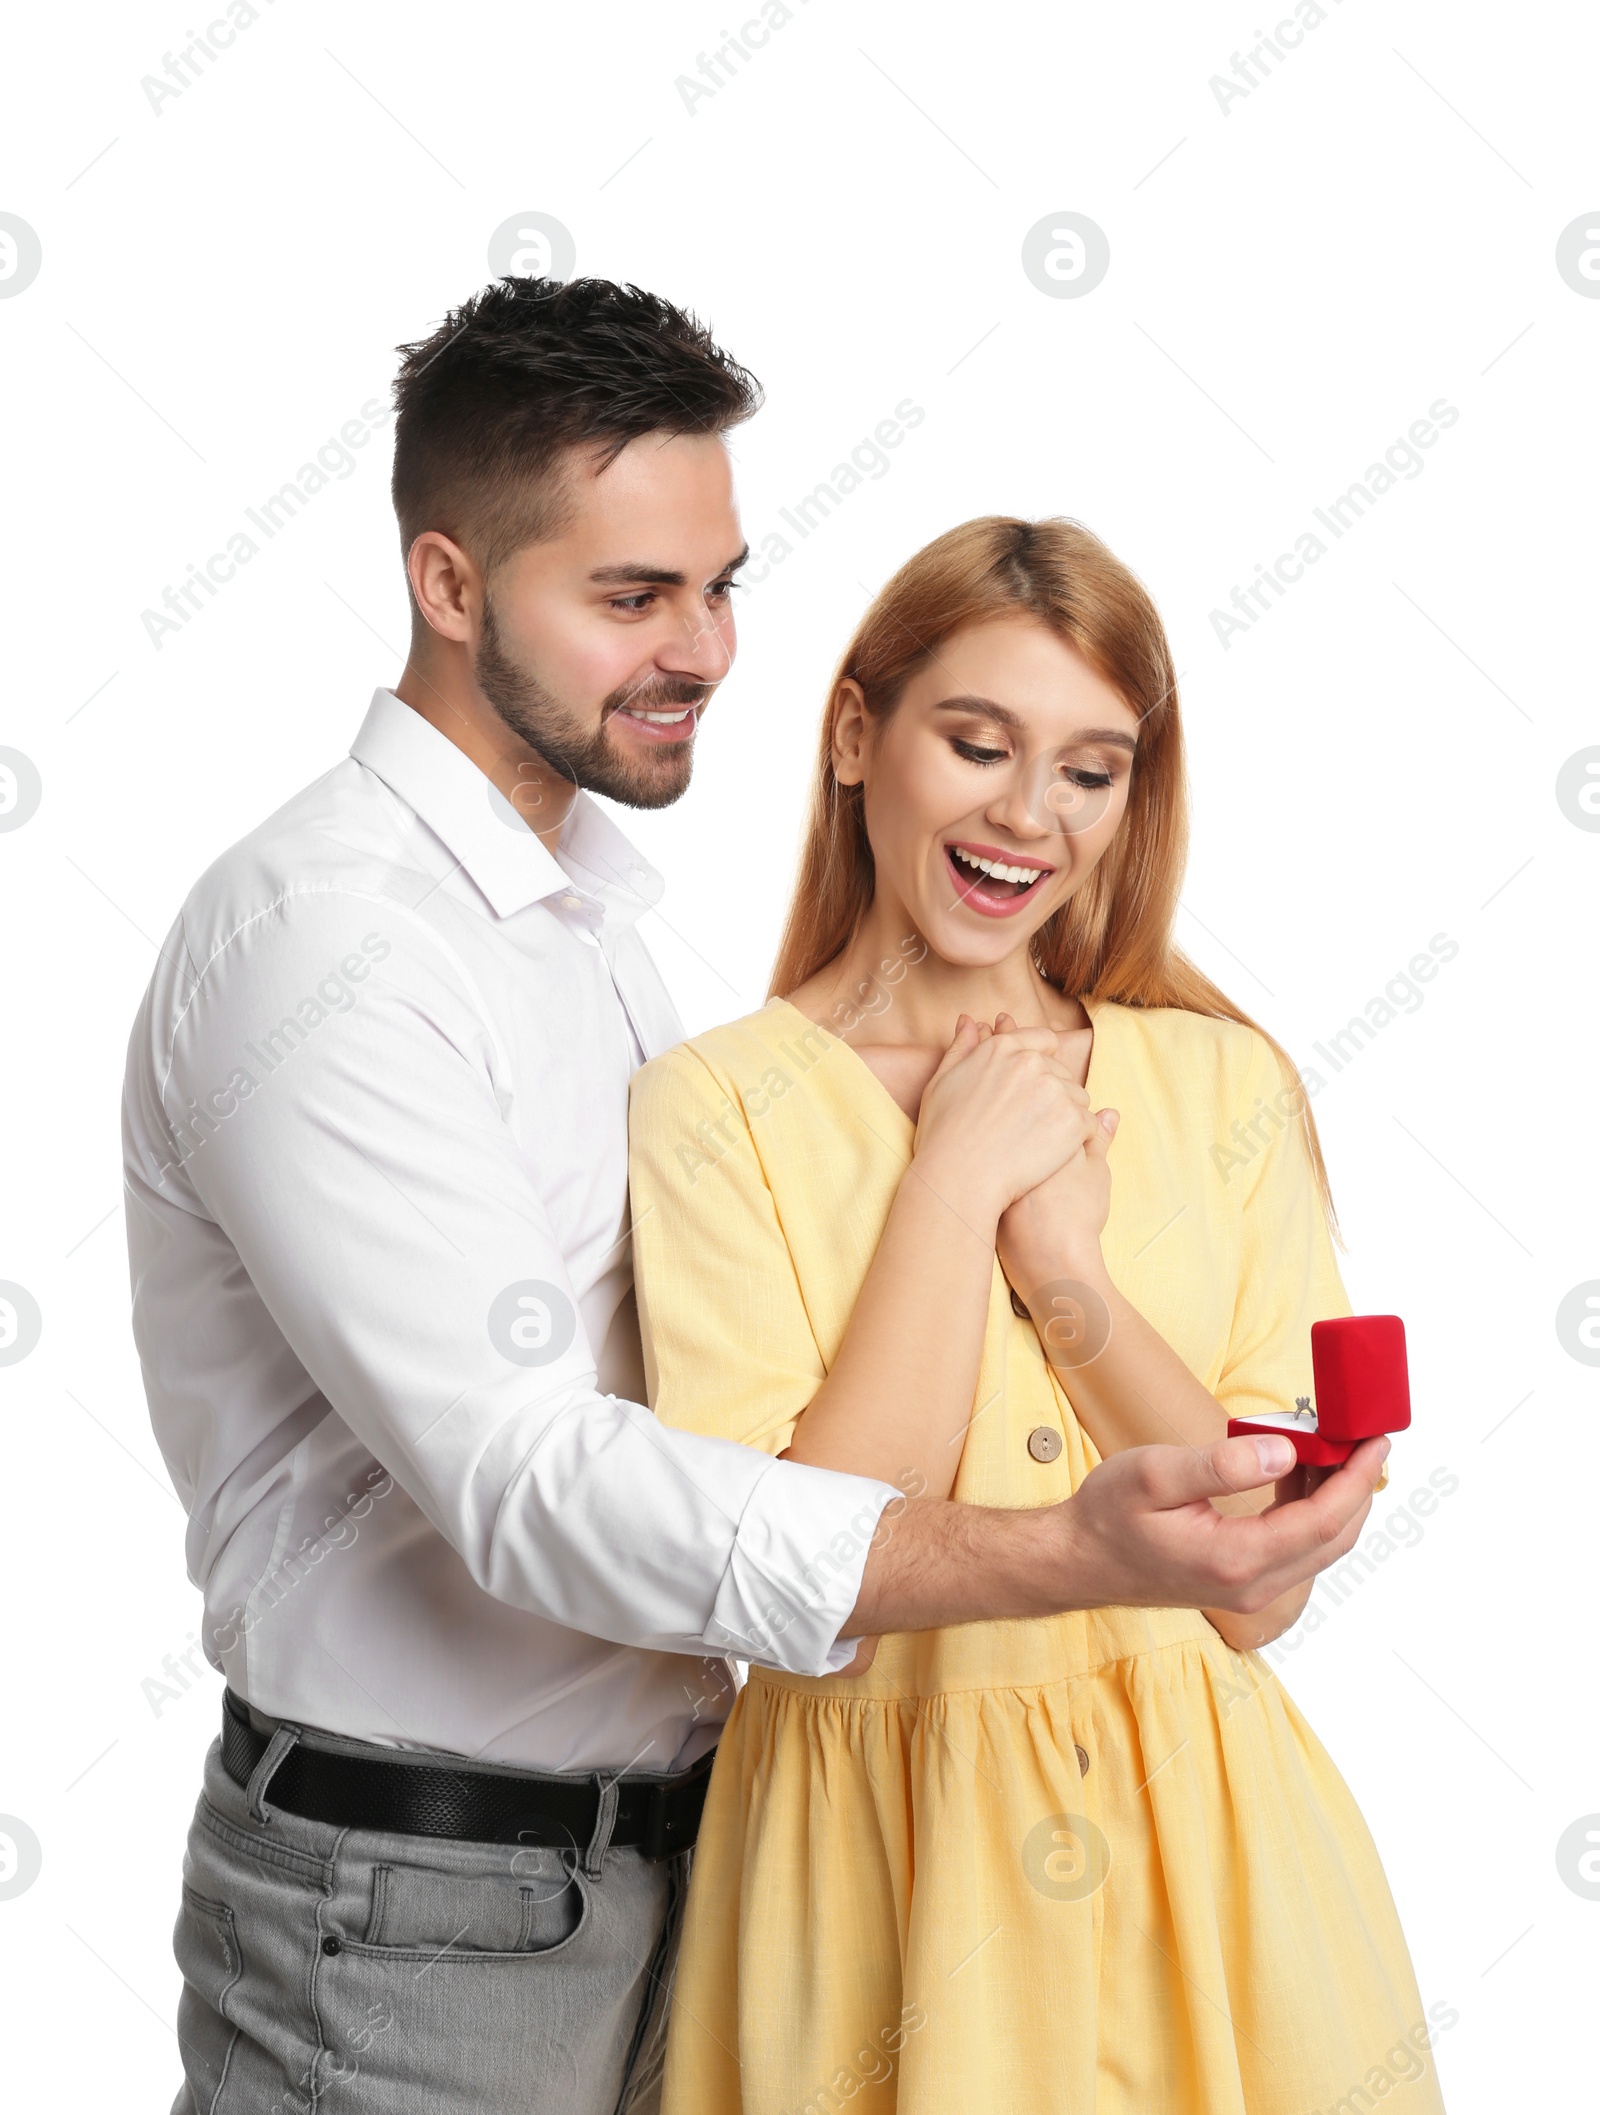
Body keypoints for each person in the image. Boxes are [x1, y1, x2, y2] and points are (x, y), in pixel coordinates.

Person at [121, 281, 1387, 2115]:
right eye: (632, 597)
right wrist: (1067, 1520)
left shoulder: (590, 936)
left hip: (669, 1860)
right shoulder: (334, 946)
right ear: (451, 587)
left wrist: (1078, 1302)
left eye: (720, 586)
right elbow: (528, 1481)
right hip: (419, 1900)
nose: (704, 648)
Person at [627, 516, 1439, 2115]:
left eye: (1090, 769)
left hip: (1215, 1856)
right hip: (872, 1880)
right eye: (977, 743)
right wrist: (951, 1189)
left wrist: (1069, 1275)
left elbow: (1257, 1598)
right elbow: (805, 1581)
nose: (1029, 815)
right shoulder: (712, 1105)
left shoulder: (1222, 1083)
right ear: (859, 736)